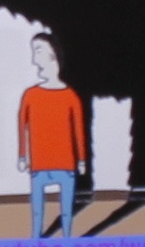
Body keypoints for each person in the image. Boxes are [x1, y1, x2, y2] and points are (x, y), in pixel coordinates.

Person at [14, 32, 92, 235]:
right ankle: (36, 239)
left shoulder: (70, 97)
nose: (33, 59)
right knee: (38, 211)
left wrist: (82, 160)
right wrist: (23, 156)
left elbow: (78, 131)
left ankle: (67, 238)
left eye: (38, 51)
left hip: (66, 164)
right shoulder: (30, 95)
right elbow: (22, 126)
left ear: (52, 54)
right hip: (39, 165)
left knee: (66, 210)